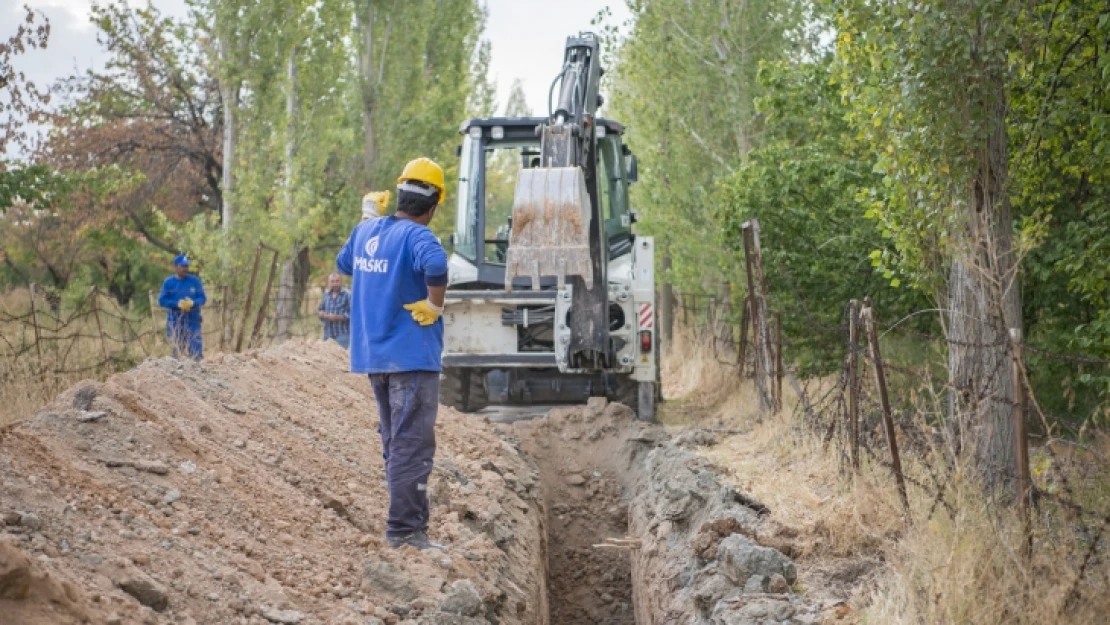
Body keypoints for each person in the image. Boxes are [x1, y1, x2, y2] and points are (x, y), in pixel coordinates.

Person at [337, 157, 449, 551]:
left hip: (375, 357)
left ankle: (403, 526)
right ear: (433, 205)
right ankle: (405, 530)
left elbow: (345, 262)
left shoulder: (370, 231)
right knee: (411, 443)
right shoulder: (420, 237)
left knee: (394, 441)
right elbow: (436, 264)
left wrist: (368, 219)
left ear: (400, 194)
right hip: (411, 357)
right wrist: (435, 304)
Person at [158, 254, 206, 360]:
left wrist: (193, 303)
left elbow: (202, 298)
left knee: (196, 351)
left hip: (193, 320)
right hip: (175, 321)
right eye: (182, 266)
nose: (185, 269)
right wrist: (177, 304)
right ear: (175, 267)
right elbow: (162, 300)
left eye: (186, 266)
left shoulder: (195, 281)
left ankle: (198, 371)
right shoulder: (168, 283)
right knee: (177, 352)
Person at [317, 272, 352, 348]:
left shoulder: (348, 295)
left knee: (339, 357)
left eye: (337, 281)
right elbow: (320, 308)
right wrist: (321, 314)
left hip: (342, 334)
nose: (335, 283)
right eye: (332, 281)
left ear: (341, 281)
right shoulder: (326, 295)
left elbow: (353, 314)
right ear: (329, 283)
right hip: (327, 334)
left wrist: (337, 317)